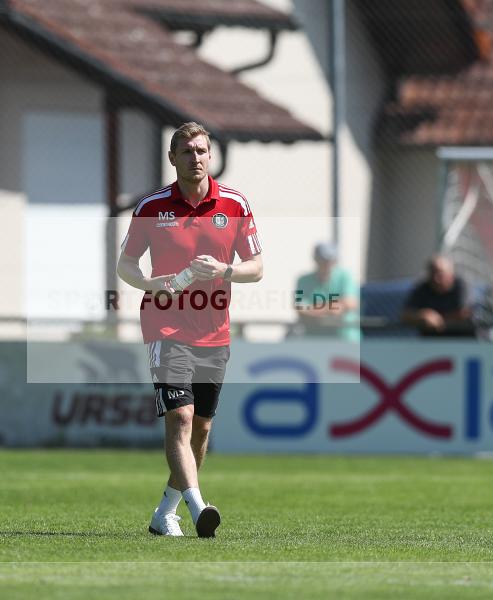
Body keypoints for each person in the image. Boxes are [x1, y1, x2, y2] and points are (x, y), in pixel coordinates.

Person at [117, 122, 263, 538]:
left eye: (201, 151)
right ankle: (200, 510)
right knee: (179, 418)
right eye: (187, 152)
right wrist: (149, 283)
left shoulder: (234, 205)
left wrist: (226, 270)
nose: (195, 158)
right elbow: (125, 264)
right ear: (172, 158)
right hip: (165, 324)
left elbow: (257, 268)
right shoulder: (152, 207)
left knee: (201, 428)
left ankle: (165, 512)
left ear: (210, 156)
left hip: (214, 330)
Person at [293, 242, 360, 341]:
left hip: (345, 338)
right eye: (323, 260)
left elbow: (350, 303)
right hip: (315, 338)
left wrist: (313, 310)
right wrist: (331, 308)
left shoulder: (346, 277)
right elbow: (299, 308)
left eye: (331, 260)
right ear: (315, 259)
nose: (328, 263)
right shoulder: (302, 280)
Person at [401, 254, 472, 337]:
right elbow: (405, 315)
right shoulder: (422, 288)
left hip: (461, 341)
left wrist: (437, 319)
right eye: (432, 273)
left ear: (451, 275)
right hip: (430, 343)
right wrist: (422, 316)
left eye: (440, 274)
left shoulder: (461, 286)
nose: (436, 279)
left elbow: (464, 313)